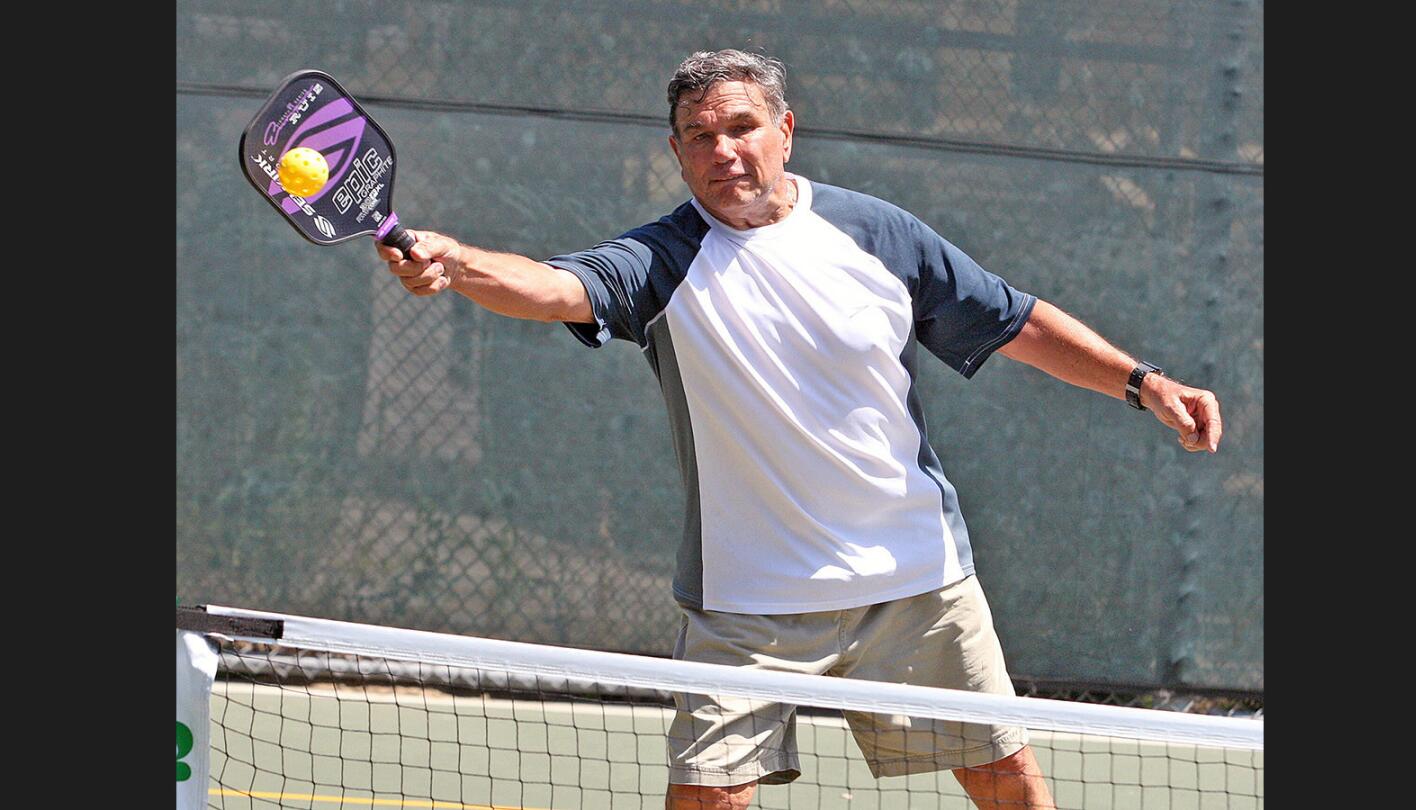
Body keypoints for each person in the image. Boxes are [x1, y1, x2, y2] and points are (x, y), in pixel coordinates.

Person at [376, 49, 1222, 810]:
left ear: (784, 130)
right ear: (676, 153)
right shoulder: (661, 260)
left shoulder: (878, 234)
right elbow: (558, 288)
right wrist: (460, 264)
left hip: (916, 582)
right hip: (747, 602)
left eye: (741, 127)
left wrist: (1142, 383)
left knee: (1009, 787)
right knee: (709, 802)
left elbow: (1013, 321)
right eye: (698, 136)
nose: (723, 151)